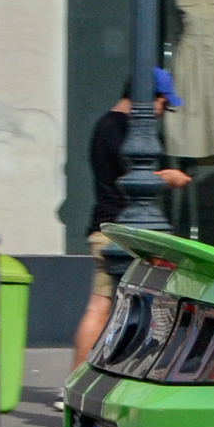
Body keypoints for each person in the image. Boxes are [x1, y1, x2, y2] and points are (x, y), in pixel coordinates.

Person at [73, 71, 193, 367]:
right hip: (118, 231)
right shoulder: (122, 129)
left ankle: (83, 381)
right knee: (105, 307)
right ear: (152, 98)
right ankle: (74, 385)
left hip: (112, 227)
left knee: (107, 307)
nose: (162, 113)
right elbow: (135, 178)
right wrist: (170, 178)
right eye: (164, 104)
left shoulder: (107, 125)